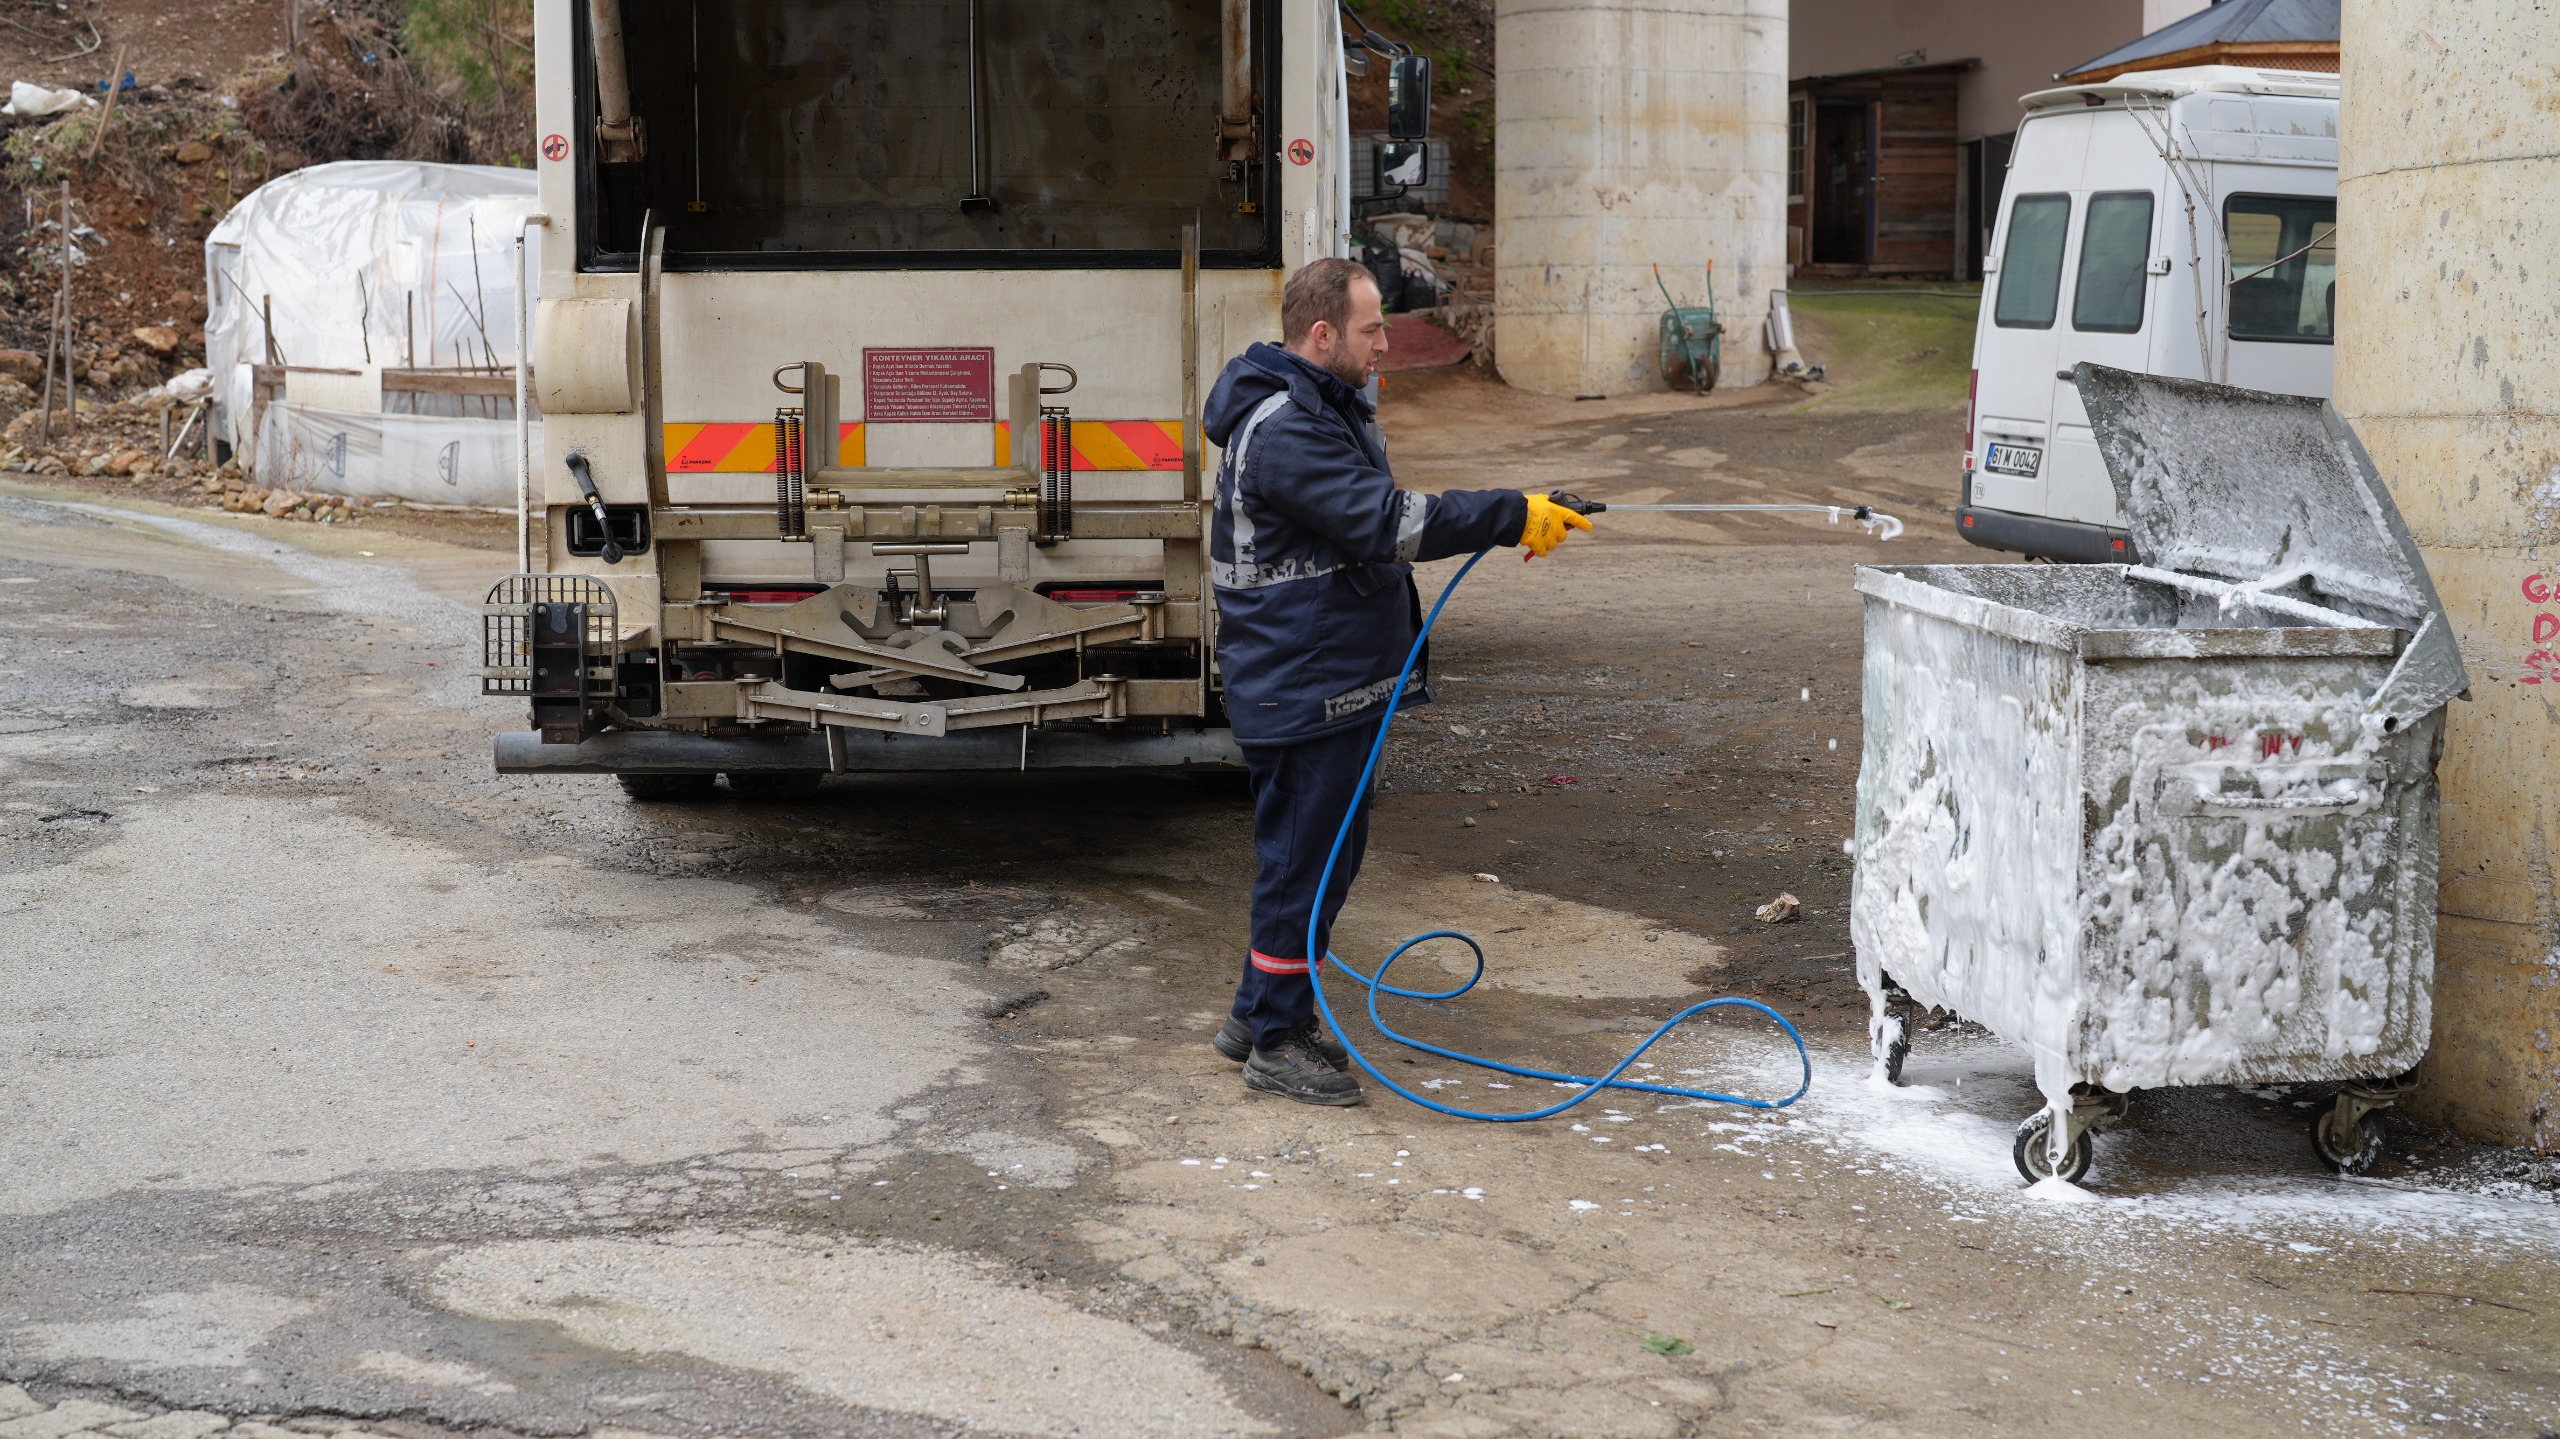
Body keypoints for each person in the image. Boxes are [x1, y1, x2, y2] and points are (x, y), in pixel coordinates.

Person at [1200, 257, 1593, 1106]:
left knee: (1319, 861)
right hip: (1301, 684)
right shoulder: (1288, 429)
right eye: (1372, 328)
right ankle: (1276, 1042)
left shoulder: (1322, 406)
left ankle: (1256, 1015)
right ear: (1322, 334)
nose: (1386, 342)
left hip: (1322, 676)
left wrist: (1521, 510)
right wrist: (1510, 512)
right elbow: (1388, 522)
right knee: (1304, 866)